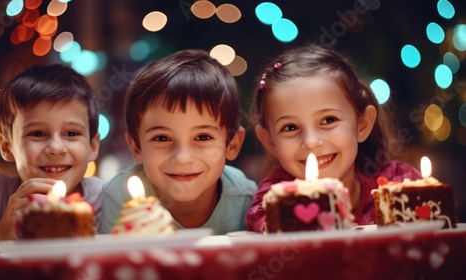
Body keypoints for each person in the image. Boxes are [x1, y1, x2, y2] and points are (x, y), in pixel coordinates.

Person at [246, 44, 422, 232]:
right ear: (270, 141)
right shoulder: (276, 195)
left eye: (328, 120)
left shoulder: (400, 182)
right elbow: (262, 217)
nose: (311, 141)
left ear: (362, 125)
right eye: (290, 127)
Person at [101, 49, 257, 235]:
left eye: (202, 137)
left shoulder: (245, 198)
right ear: (136, 147)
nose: (182, 158)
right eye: (162, 138)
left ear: (232, 144)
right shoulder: (121, 198)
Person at [0, 64, 104, 257]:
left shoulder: (107, 200)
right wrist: (0, 233)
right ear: (7, 147)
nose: (56, 148)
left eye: (72, 133)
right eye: (37, 133)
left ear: (92, 147)